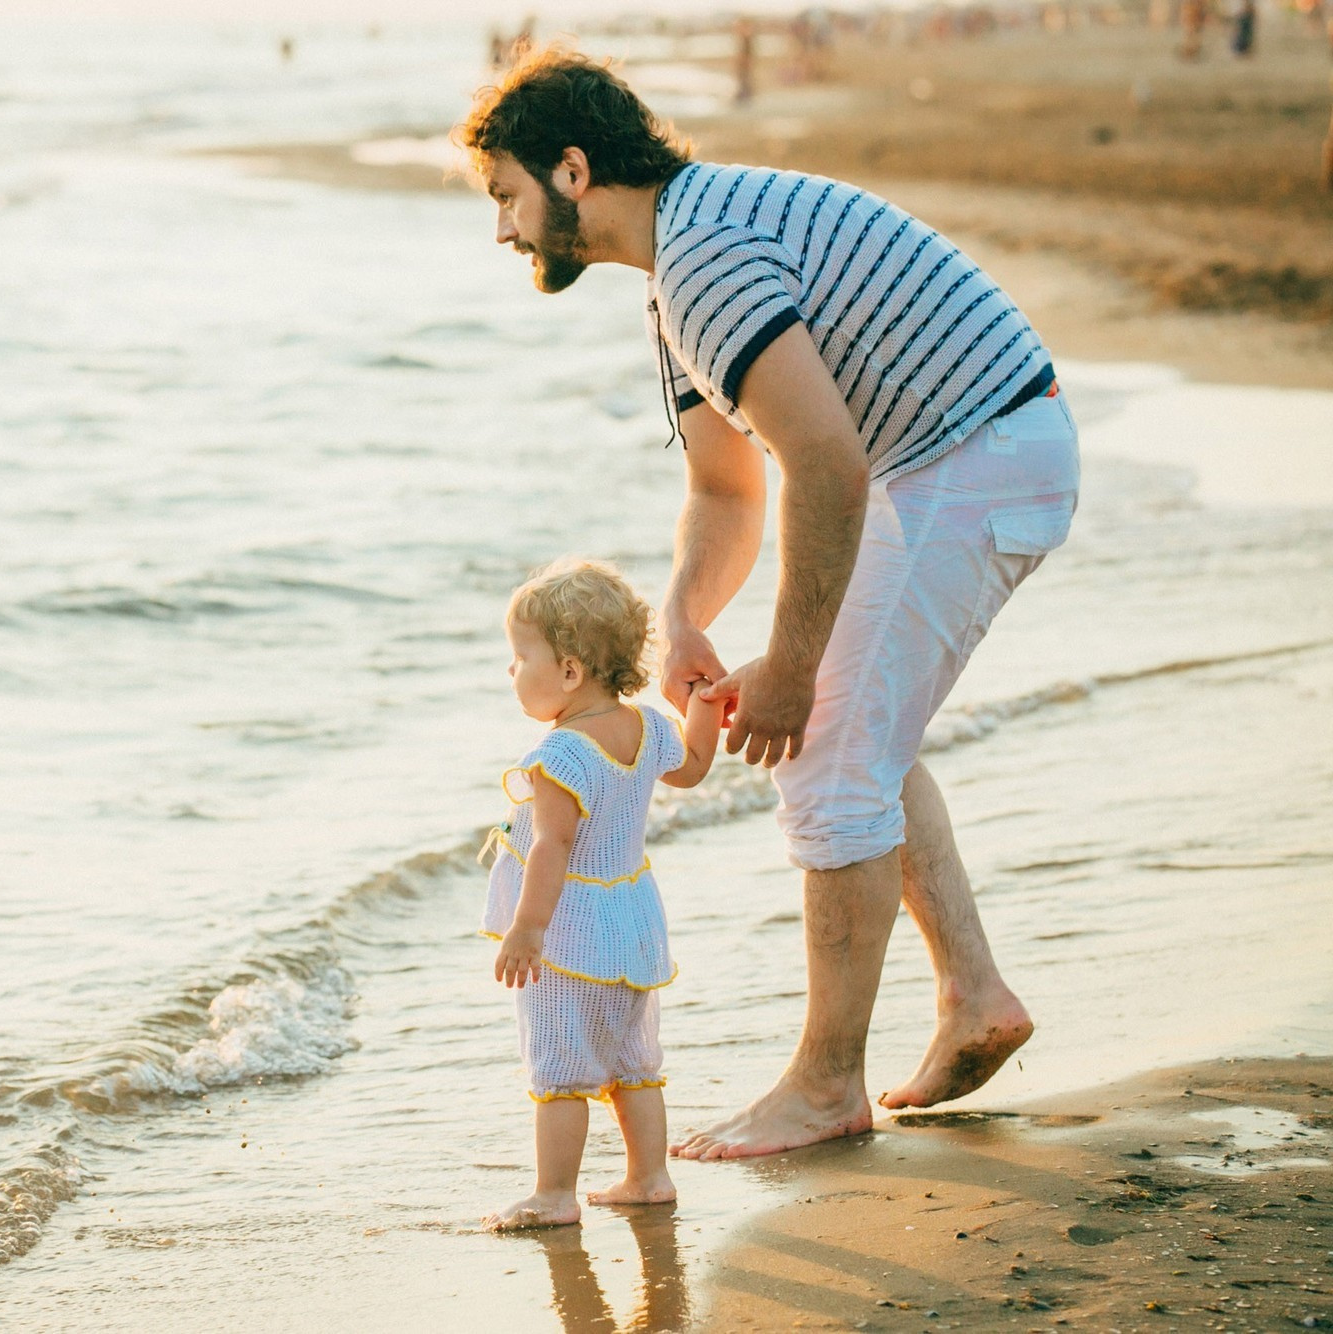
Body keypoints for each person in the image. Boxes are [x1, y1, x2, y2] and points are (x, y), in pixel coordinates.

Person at [457, 49, 1079, 1160]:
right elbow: (723, 483)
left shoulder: (702, 256)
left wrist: (788, 669)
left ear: (570, 169)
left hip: (976, 454)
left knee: (826, 740)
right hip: (957, 456)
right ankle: (973, 996)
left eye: (506, 195)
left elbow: (824, 462)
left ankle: (823, 1083)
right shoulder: (675, 277)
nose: (501, 230)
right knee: (859, 728)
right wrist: (684, 620)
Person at [481, 559, 721, 1230]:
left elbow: (552, 848)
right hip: (633, 921)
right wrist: (703, 708)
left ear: (569, 671)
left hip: (568, 936)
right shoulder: (646, 728)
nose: (511, 671)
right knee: (630, 1061)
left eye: (519, 656)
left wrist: (527, 930)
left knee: (559, 1061)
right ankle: (649, 1177)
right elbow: (695, 769)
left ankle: (554, 1194)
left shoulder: (560, 755)